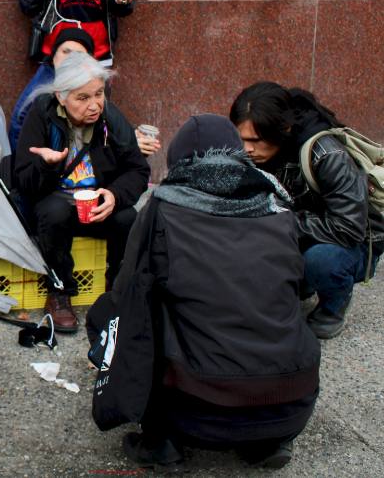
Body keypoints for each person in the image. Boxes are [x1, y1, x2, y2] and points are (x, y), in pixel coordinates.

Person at [91, 114, 320, 471]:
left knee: (115, 313)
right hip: (291, 402)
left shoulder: (163, 209)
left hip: (197, 411)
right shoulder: (278, 206)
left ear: (177, 161)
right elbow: (297, 286)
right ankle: (264, 441)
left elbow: (127, 294)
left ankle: (161, 442)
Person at [230, 82, 384, 339]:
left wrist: (279, 222)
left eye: (255, 140)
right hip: (294, 230)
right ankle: (298, 283)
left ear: (284, 130)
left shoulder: (326, 154)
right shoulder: (255, 154)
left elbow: (348, 228)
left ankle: (332, 307)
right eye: (240, 139)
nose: (247, 148)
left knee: (321, 261)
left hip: (352, 244)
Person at [14, 53, 149, 332]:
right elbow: (23, 182)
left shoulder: (109, 117)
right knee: (54, 212)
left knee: (127, 217)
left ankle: (117, 291)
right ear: (62, 97)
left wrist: (114, 195)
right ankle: (60, 291)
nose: (94, 105)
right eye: (82, 98)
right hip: (55, 201)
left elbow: (137, 170)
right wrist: (46, 164)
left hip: (95, 203)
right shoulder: (41, 114)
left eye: (98, 94)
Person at [8, 28, 160, 157]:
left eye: (98, 94)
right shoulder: (42, 97)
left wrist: (129, 138)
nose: (69, 59)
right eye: (65, 52)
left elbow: (105, 124)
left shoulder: (92, 82)